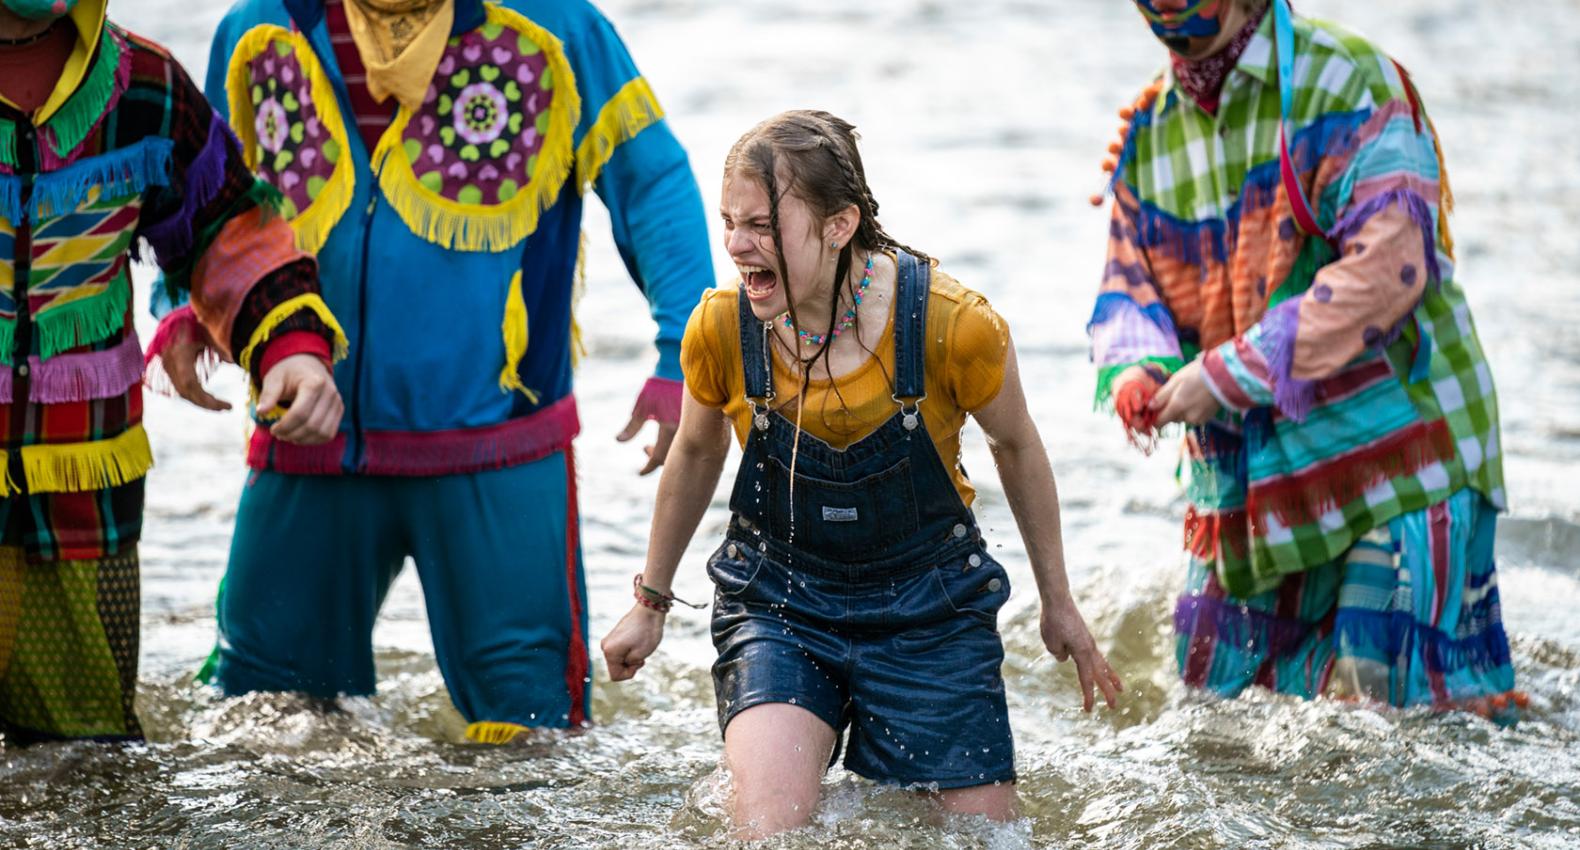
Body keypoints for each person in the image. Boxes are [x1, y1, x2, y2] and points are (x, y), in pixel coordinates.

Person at [193, 0, 713, 742]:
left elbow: (650, 179)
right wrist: (190, 314)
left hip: (498, 452)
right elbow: (207, 207)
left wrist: (680, 355)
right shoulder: (257, 31)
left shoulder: (557, 27)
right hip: (305, 441)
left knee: (529, 740)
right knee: (259, 723)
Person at [600, 110, 1122, 837]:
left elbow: (1018, 446)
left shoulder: (953, 325)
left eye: (761, 226)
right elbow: (694, 452)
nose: (736, 246)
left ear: (840, 225)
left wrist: (1058, 601)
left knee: (983, 839)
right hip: (779, 602)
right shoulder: (721, 327)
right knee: (767, 831)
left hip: (930, 610)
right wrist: (650, 603)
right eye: (730, 222)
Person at [1090, 0, 1520, 717]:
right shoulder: (1149, 130)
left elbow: (1388, 271)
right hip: (1253, 482)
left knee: (1388, 719)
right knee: (1211, 712)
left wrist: (1223, 377)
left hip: (1404, 455)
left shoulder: (1346, 82)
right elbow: (1127, 289)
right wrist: (1139, 370)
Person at [0, 0, 343, 742]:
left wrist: (292, 351)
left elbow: (226, 226)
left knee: (85, 763)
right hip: (80, 478)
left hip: (83, 496)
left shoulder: (142, 85)